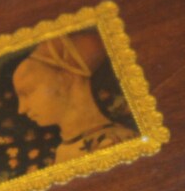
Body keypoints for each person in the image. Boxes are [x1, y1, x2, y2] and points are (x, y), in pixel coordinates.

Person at [12, 31, 136, 166]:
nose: (21, 109)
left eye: (28, 92)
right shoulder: (66, 148)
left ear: (66, 79)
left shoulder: (112, 143)